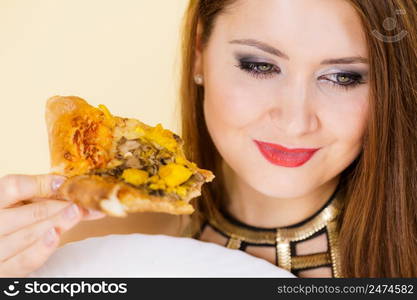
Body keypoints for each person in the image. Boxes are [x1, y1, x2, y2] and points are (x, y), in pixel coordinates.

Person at [0, 0, 416, 278]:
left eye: (344, 77)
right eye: (259, 66)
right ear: (200, 51)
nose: (294, 120)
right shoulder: (71, 241)